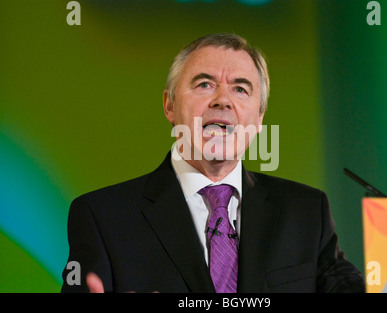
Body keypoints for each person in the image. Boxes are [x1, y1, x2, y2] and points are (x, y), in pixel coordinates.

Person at [61, 33, 365, 293]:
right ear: (169, 105)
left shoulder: (306, 212)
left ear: (259, 119)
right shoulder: (102, 217)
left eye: (240, 89)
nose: (223, 100)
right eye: (204, 84)